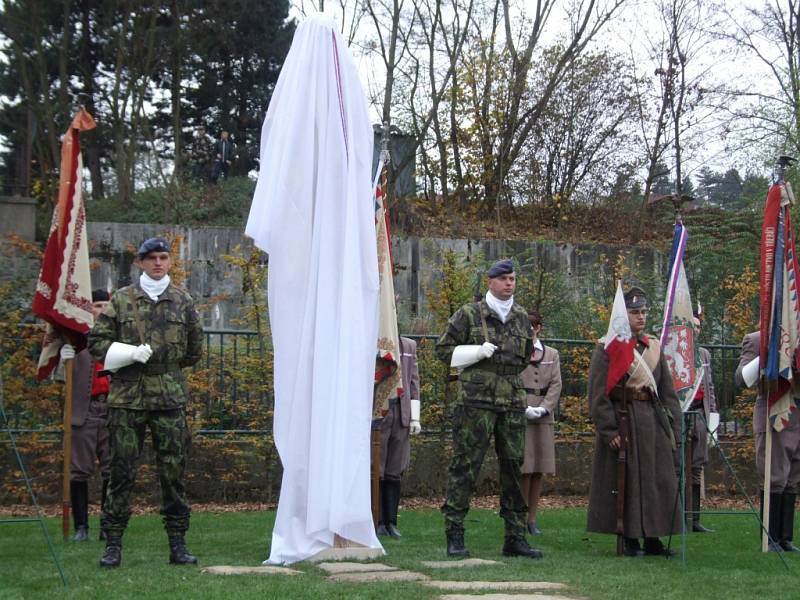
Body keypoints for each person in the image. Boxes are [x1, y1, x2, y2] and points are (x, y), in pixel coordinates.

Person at [88, 237, 203, 567]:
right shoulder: (123, 300)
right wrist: (126, 355)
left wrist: (165, 371)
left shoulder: (182, 300)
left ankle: (178, 544)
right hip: (128, 398)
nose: (157, 263)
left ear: (169, 261)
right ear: (139, 262)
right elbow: (96, 342)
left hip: (168, 398)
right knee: (122, 472)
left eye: (163, 257)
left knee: (173, 472)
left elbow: (195, 349)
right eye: (150, 257)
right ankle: (112, 544)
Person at [436, 258, 542, 559]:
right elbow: (443, 350)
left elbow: (524, 358)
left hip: (510, 402)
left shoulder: (521, 317)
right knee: (465, 466)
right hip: (475, 403)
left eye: (513, 278)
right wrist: (475, 352)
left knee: (513, 467)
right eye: (504, 278)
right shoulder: (469, 314)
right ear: (490, 281)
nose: (510, 283)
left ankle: (515, 537)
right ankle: (454, 534)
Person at [587, 286, 682, 557]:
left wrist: (674, 427)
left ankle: (654, 538)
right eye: (634, 312)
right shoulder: (608, 347)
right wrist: (608, 429)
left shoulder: (652, 347)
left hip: (651, 422)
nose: (641, 317)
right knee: (627, 483)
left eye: (643, 312)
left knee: (656, 482)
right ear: (623, 314)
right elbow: (597, 394)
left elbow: (666, 392)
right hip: (624, 421)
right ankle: (630, 539)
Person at [735, 330, 800, 552]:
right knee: (775, 476)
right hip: (773, 414)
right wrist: (769, 351)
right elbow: (741, 378)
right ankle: (770, 538)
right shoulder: (756, 339)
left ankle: (785, 538)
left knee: (792, 478)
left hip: (797, 413)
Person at [58, 289, 113, 542]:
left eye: (105, 305)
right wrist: (64, 360)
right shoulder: (75, 339)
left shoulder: (119, 337)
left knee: (112, 470)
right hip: (85, 409)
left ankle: (108, 524)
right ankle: (81, 526)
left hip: (113, 409)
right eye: (97, 305)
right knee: (79, 470)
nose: (100, 309)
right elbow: (60, 378)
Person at [520, 310, 562, 536]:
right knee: (524, 468)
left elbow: (556, 384)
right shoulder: (516, 352)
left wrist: (544, 408)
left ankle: (532, 519)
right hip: (522, 412)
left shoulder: (552, 354)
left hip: (543, 415)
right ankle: (519, 515)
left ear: (539, 328)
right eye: (526, 326)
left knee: (539, 469)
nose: (531, 330)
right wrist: (523, 407)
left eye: (534, 326)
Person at [376, 336, 421, 538]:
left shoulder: (409, 346)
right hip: (379, 415)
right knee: (377, 468)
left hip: (402, 415)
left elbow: (413, 383)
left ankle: (391, 521)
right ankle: (376, 520)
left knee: (394, 470)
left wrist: (415, 417)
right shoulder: (374, 343)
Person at [687, 314, 718, 533]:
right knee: (680, 468)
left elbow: (710, 389)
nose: (696, 330)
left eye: (698, 327)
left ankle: (695, 520)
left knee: (697, 468)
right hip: (682, 415)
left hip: (700, 413)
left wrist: (713, 418)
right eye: (692, 326)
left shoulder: (704, 354)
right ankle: (678, 516)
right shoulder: (674, 351)